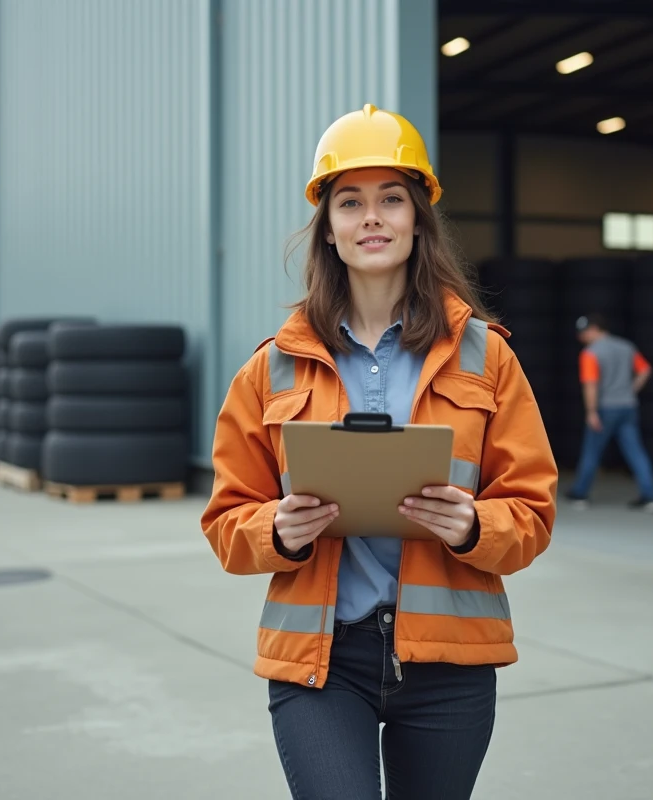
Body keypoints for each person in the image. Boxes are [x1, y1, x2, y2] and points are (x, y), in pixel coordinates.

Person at [200, 104, 558, 800]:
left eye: (391, 199)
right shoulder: (271, 368)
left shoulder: (486, 357)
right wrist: (276, 531)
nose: (372, 217)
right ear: (328, 230)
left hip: (450, 664)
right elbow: (225, 523)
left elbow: (533, 512)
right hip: (321, 664)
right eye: (350, 202)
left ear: (418, 221)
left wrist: (475, 525)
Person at [564, 313, 653, 512]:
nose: (580, 337)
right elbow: (645, 370)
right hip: (628, 406)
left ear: (594, 330)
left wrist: (591, 412)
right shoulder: (626, 347)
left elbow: (590, 385)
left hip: (605, 408)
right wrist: (630, 390)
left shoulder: (590, 353)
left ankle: (580, 494)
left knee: (591, 451)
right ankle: (650, 497)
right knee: (636, 452)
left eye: (583, 332)